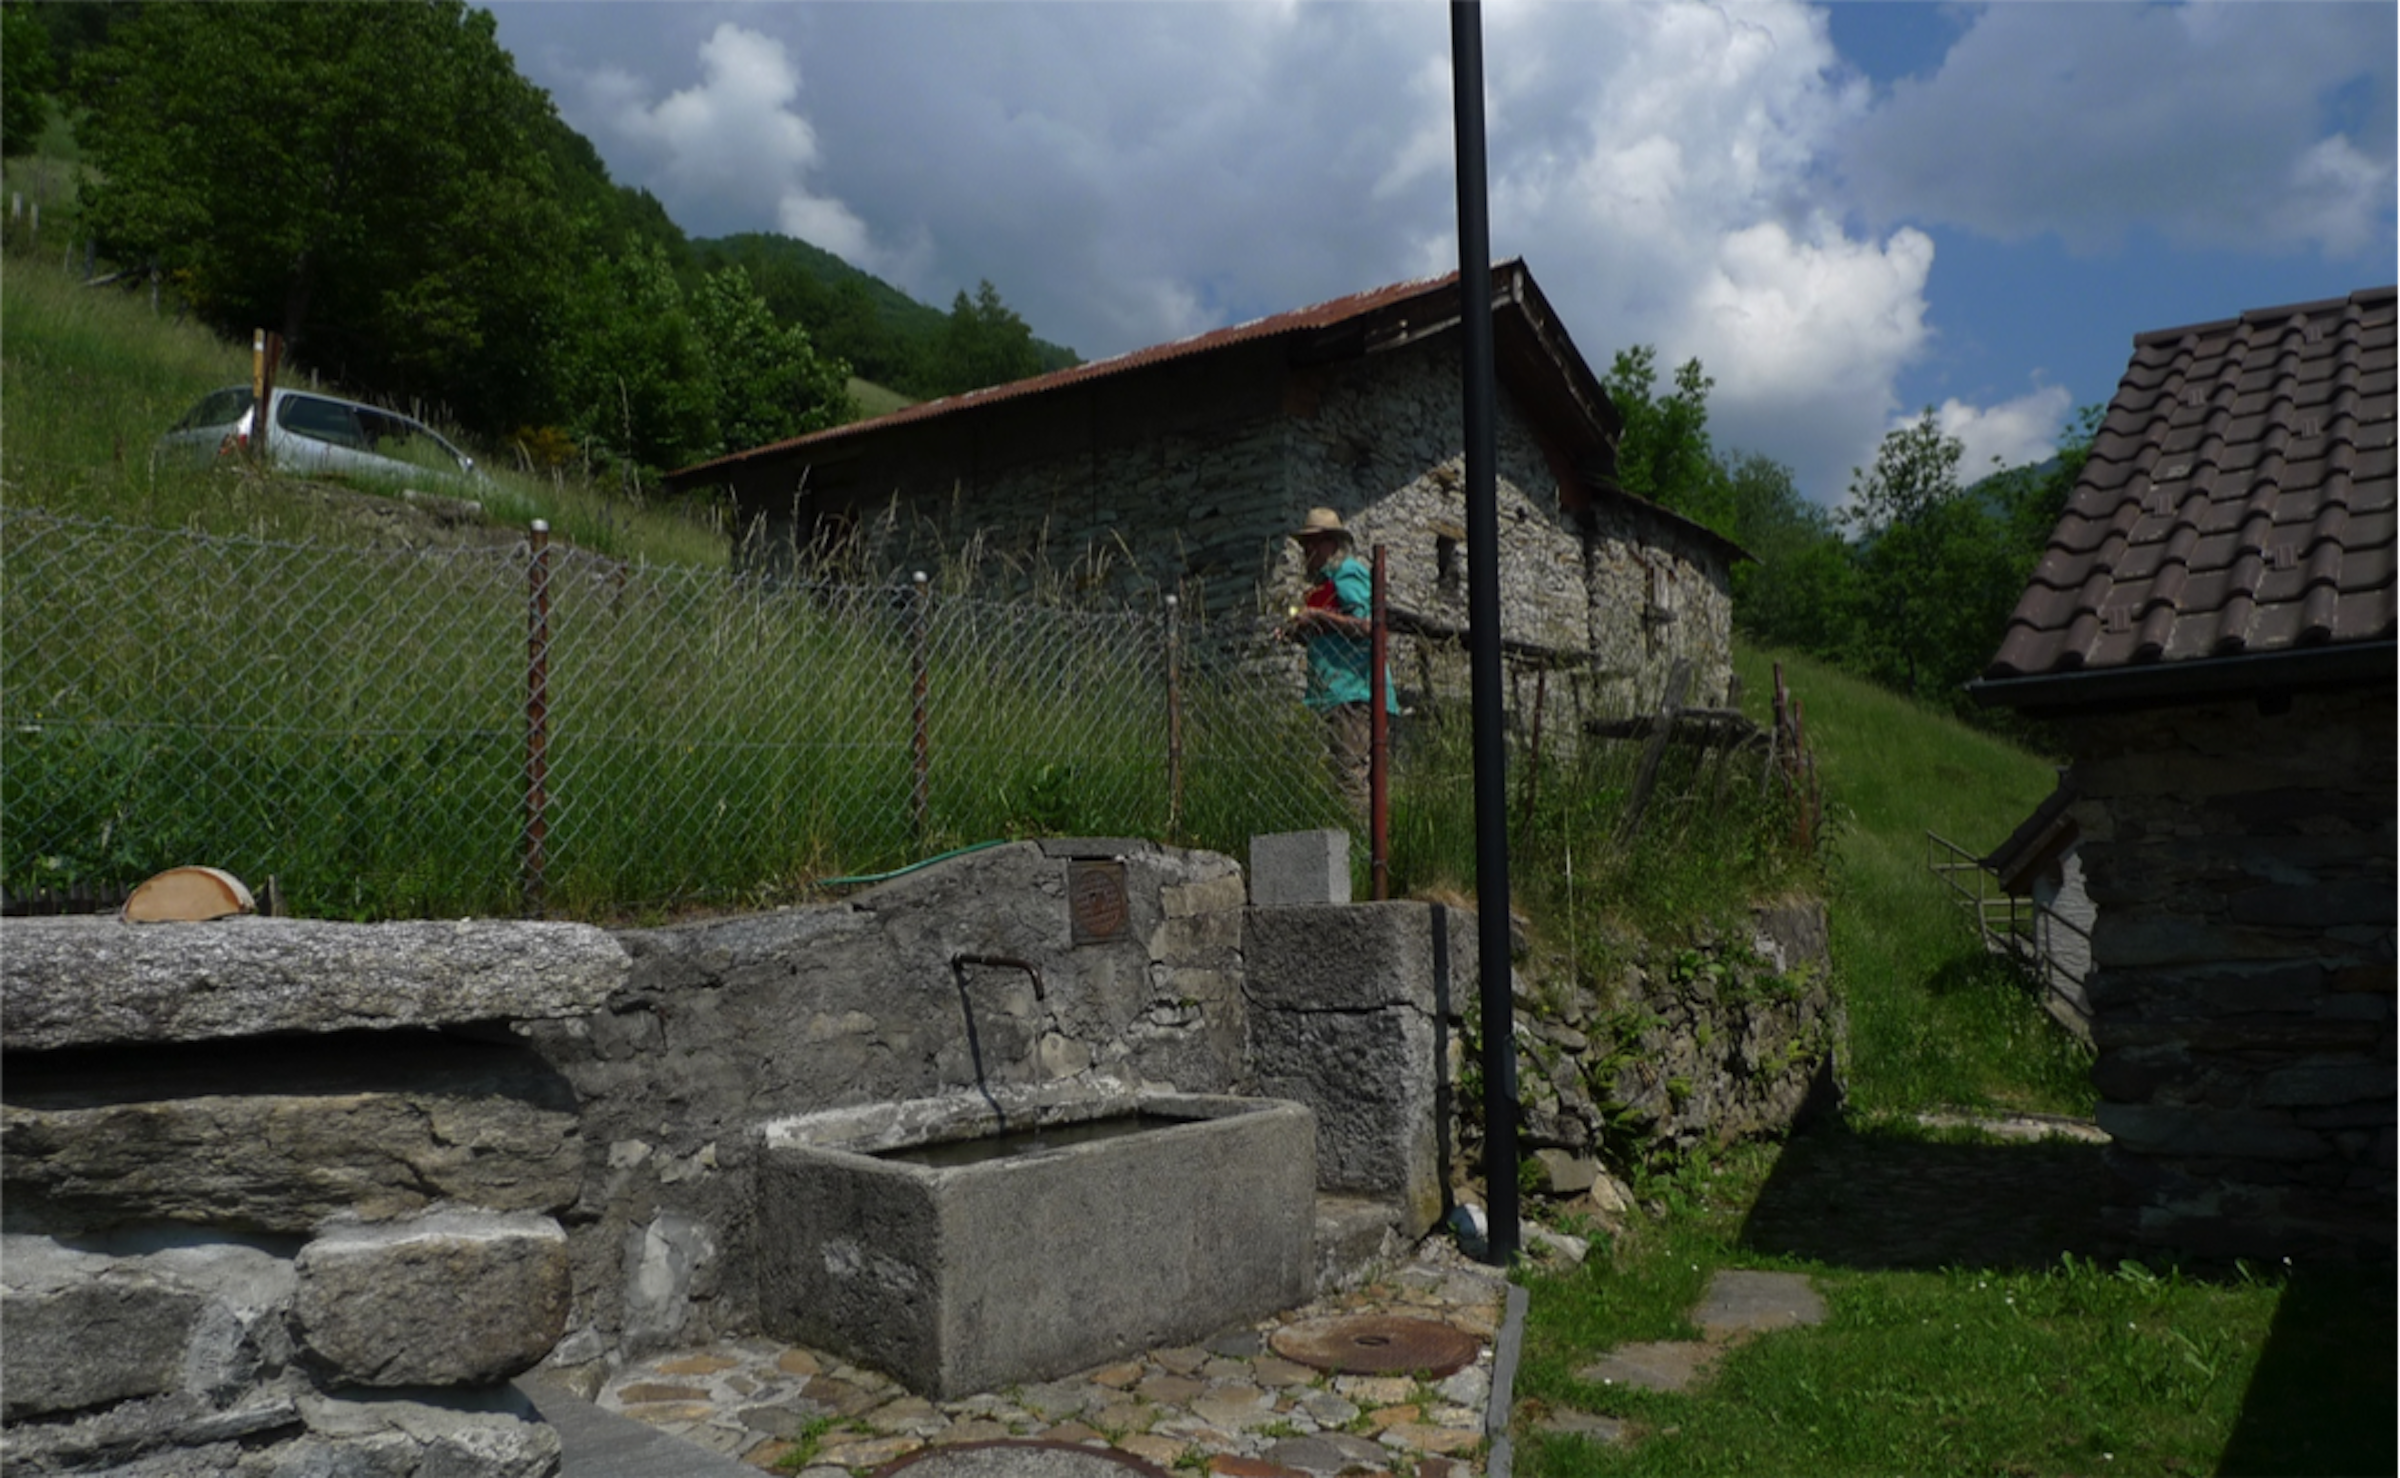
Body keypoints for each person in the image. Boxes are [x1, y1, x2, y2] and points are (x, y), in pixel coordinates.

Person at [1282, 507, 1395, 813]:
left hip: (1355, 688)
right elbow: (1337, 626)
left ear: (1332, 543)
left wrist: (1317, 616)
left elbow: (1370, 625)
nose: (1308, 551)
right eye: (1305, 544)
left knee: (1350, 776)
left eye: (1314, 543)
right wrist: (1302, 630)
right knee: (1350, 773)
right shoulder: (1325, 585)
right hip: (1341, 690)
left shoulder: (1347, 573)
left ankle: (1361, 850)